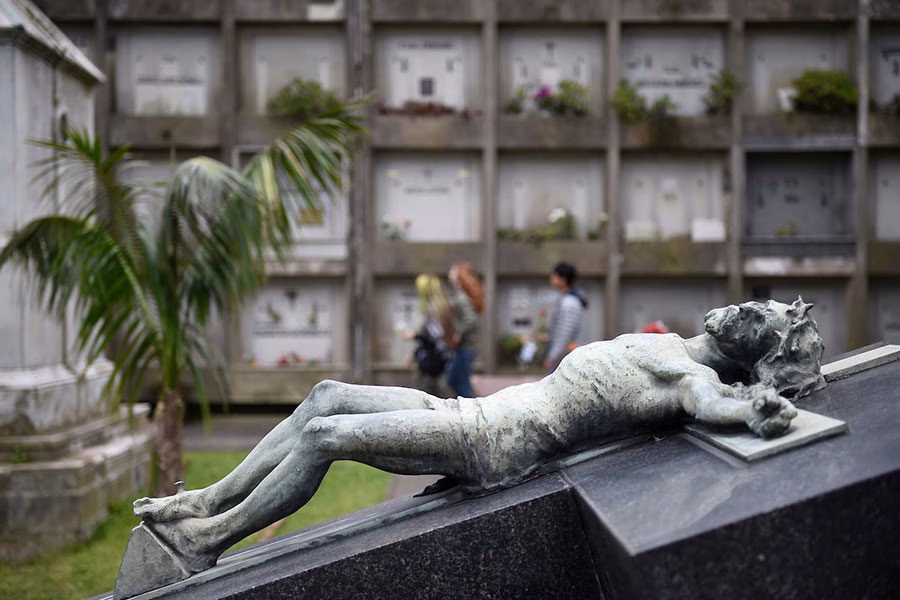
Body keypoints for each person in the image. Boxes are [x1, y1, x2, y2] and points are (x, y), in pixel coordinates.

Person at [131, 298, 824, 579]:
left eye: (758, 319)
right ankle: (205, 501)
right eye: (754, 302)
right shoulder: (671, 340)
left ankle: (205, 541)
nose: (745, 307)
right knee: (325, 397)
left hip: (494, 440)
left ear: (750, 352)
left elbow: (718, 408)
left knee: (327, 436)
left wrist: (757, 410)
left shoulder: (689, 378)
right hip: (472, 407)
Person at [411, 274, 453, 397]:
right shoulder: (442, 304)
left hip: (433, 356)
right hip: (440, 354)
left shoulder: (433, 307)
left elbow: (434, 335)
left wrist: (415, 336)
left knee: (423, 392)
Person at [445, 262, 483, 397]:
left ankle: (470, 411)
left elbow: (471, 319)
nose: (450, 273)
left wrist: (458, 334)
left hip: (466, 346)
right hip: (466, 346)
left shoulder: (461, 297)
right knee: (459, 380)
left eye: (453, 271)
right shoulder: (461, 295)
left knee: (459, 381)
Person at [543, 262, 588, 372]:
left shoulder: (569, 302)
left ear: (563, 279)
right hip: (565, 356)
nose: (552, 278)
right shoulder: (567, 299)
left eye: (554, 275)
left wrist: (553, 357)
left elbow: (565, 333)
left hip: (565, 358)